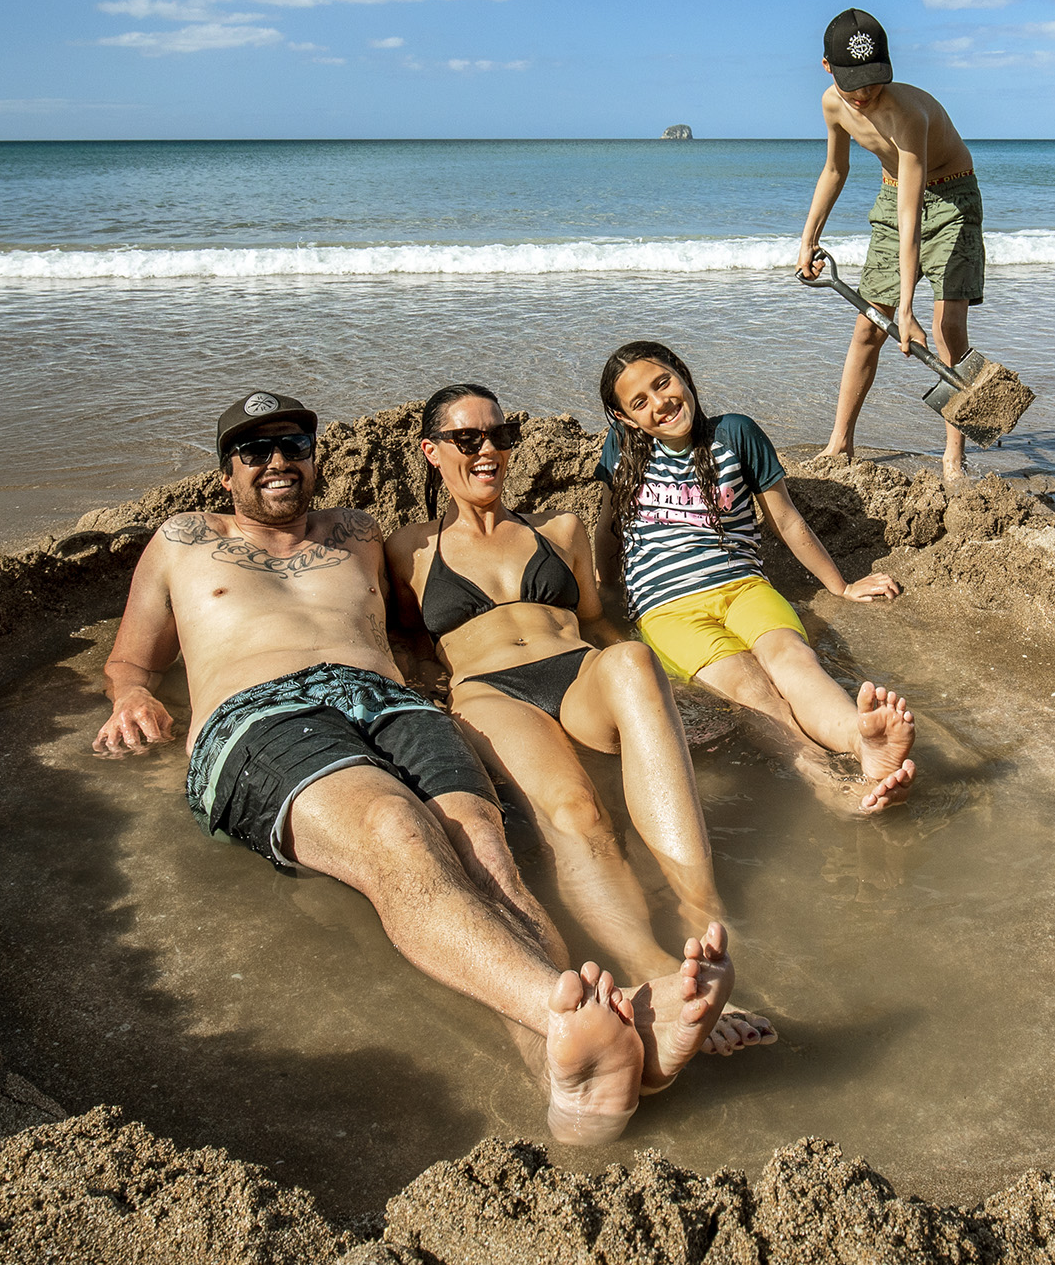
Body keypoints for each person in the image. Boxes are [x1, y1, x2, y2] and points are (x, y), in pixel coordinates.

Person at [88, 389, 733, 1144]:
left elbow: (436, 623)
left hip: (391, 704)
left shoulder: (360, 533)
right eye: (254, 450)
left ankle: (579, 1089)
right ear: (226, 470)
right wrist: (132, 696)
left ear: (315, 455)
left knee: (491, 861)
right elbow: (129, 661)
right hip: (261, 713)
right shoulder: (182, 538)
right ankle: (586, 1014)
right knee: (397, 828)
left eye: (293, 443)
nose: (277, 461)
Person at [389, 383, 777, 1055]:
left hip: (576, 672)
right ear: (432, 451)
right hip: (489, 692)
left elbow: (597, 621)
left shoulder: (559, 529)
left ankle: (702, 910)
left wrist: (665, 690)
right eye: (468, 438)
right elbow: (404, 641)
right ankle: (649, 964)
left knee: (628, 658)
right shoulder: (409, 549)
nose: (489, 450)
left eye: (500, 435)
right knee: (576, 809)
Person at [596, 340, 917, 814]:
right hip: (665, 607)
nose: (659, 402)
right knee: (750, 687)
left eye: (662, 383)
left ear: (683, 375)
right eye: (639, 401)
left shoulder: (736, 433)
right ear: (625, 418)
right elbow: (608, 524)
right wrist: (604, 591)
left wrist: (842, 586)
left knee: (793, 658)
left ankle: (861, 738)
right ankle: (824, 779)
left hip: (743, 586)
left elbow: (786, 520)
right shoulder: (621, 449)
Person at [793, 7, 988, 482]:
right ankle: (840, 443)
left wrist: (907, 310)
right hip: (892, 193)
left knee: (947, 328)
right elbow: (835, 171)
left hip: (950, 199)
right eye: (851, 83)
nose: (862, 95)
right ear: (827, 68)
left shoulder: (905, 113)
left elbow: (912, 214)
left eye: (873, 83)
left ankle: (953, 457)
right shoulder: (832, 105)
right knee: (867, 329)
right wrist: (808, 239)